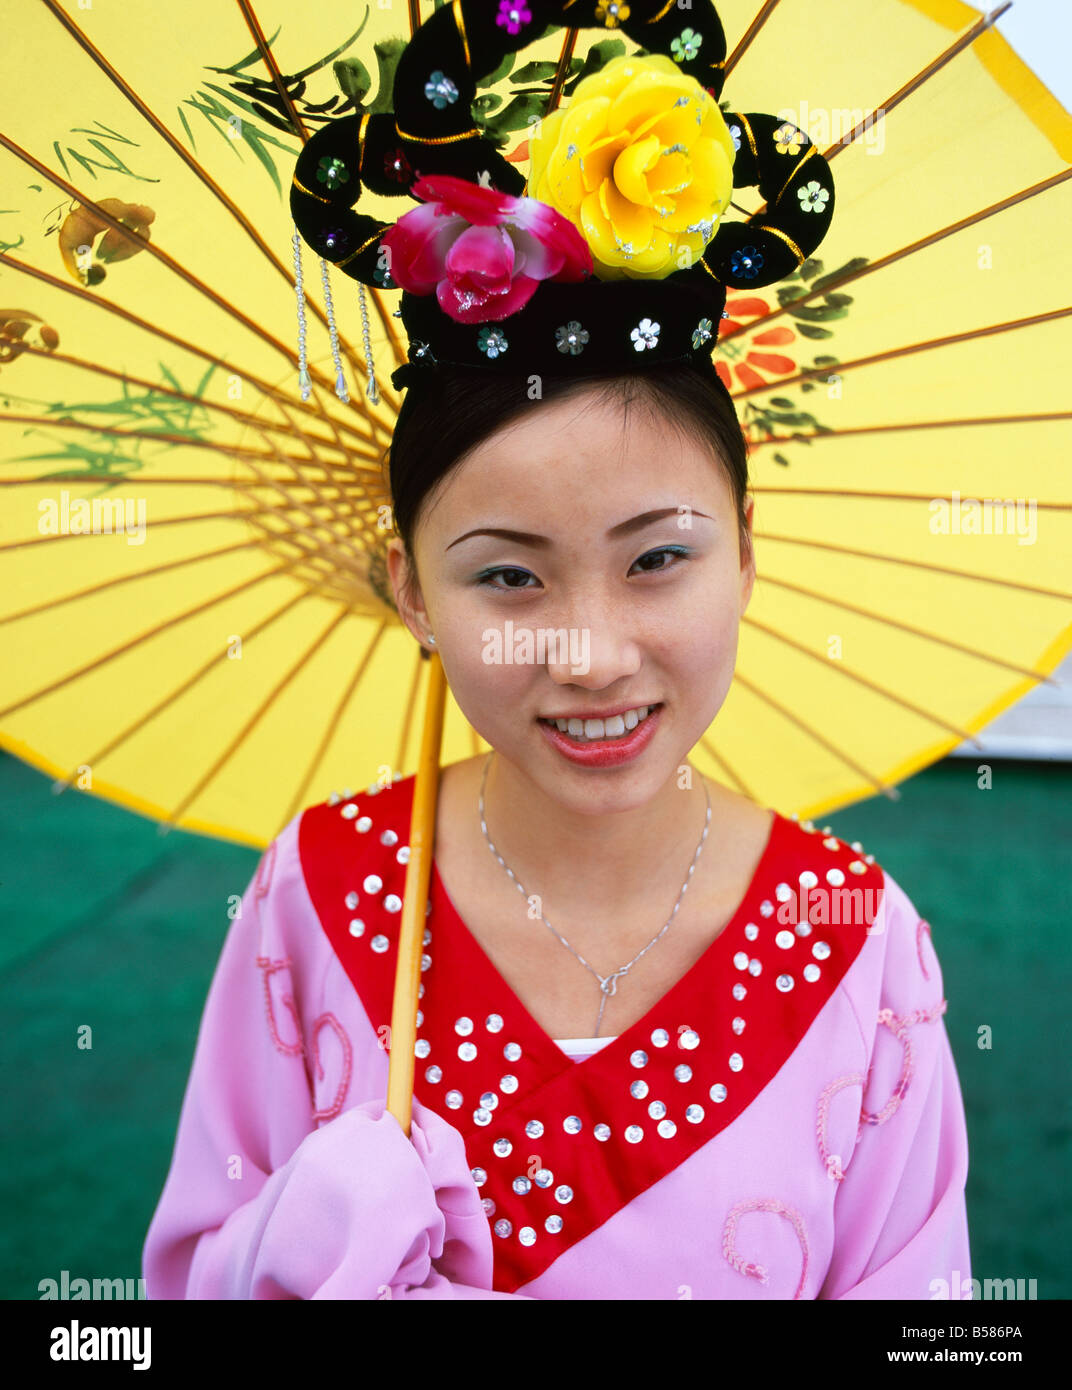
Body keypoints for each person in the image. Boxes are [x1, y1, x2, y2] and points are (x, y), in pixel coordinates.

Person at [142, 0, 971, 1298]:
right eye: (509, 575)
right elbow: (184, 1279)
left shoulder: (855, 937)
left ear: (745, 551)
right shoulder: (319, 889)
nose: (590, 655)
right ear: (413, 591)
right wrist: (307, 1238)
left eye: (657, 558)